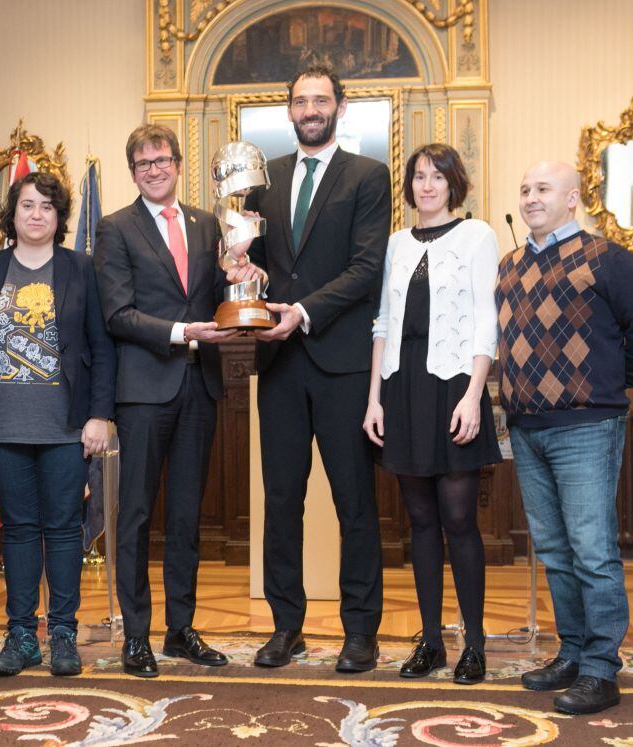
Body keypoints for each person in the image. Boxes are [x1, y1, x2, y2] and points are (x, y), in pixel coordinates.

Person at [498, 161, 633, 714]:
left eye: (542, 188)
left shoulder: (609, 258)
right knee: (554, 550)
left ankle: (601, 669)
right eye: (524, 189)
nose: (530, 197)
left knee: (593, 551)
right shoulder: (509, 265)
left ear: (572, 199)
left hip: (587, 425)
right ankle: (571, 652)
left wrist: (612, 385)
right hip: (527, 428)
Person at [242, 63, 390, 672]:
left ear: (340, 107)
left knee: (355, 503)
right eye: (300, 100)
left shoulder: (368, 176)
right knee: (282, 501)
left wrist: (301, 310)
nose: (310, 109)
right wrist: (244, 275)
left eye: (320, 100)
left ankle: (360, 633)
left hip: (342, 363)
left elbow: (366, 268)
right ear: (288, 111)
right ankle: (286, 627)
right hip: (278, 364)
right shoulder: (262, 180)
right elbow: (249, 257)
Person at [94, 124, 255, 678]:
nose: (154, 170)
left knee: (188, 517)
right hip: (143, 390)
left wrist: (242, 276)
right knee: (136, 515)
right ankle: (136, 637)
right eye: (143, 164)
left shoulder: (207, 223)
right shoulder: (114, 229)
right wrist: (183, 332)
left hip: (200, 388)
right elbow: (117, 313)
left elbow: (215, 297)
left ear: (178, 163)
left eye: (162, 160)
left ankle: (181, 629)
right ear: (132, 171)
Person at [0, 172, 115, 677]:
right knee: (21, 530)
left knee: (65, 530)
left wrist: (99, 415)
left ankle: (63, 634)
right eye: (27, 205)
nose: (36, 215)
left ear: (58, 216)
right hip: (2, 425)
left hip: (66, 426)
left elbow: (101, 346)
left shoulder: (81, 268)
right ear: (13, 212)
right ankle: (21, 635)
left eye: (47, 207)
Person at [364, 143, 501, 685]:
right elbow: (382, 323)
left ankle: (474, 644)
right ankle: (431, 642)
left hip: (453, 387)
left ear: (453, 184)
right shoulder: (396, 243)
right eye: (418, 176)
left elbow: (486, 321)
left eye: (436, 177)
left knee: (459, 521)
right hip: (403, 389)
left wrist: (475, 395)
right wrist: (374, 398)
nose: (426, 185)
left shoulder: (478, 235)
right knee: (418, 524)